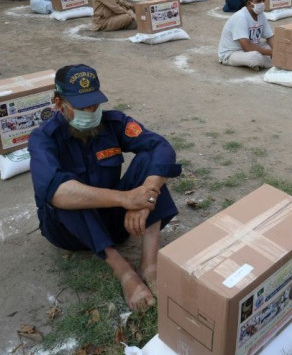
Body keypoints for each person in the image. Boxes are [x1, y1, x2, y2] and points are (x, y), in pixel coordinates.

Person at [28, 65, 181, 311]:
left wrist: (145, 199)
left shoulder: (114, 123)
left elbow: (161, 148)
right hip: (70, 233)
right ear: (59, 103)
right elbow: (57, 192)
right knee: (64, 191)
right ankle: (125, 273)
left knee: (150, 165)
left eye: (94, 104)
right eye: (81, 106)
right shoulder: (43, 138)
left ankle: (150, 265)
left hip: (114, 224)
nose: (90, 111)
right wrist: (125, 199)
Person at [218, 0, 275, 70]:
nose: (262, 4)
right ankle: (267, 62)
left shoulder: (261, 15)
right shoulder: (241, 17)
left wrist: (276, 50)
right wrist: (272, 53)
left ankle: (265, 62)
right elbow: (247, 47)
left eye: (263, 0)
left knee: (277, 46)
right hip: (232, 53)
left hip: (251, 48)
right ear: (249, 3)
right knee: (256, 57)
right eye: (258, 1)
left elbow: (270, 37)